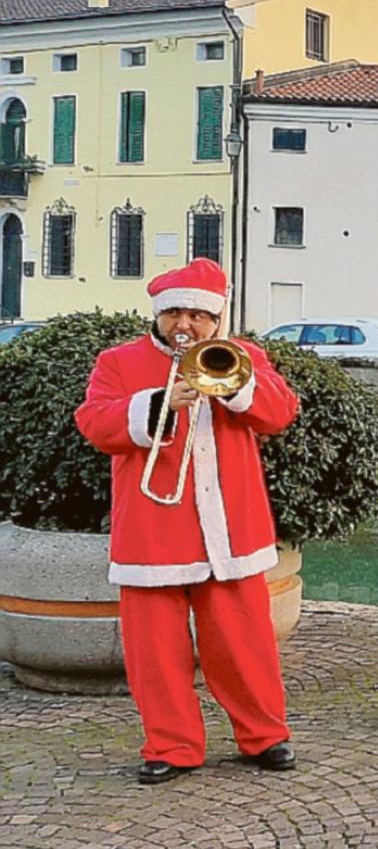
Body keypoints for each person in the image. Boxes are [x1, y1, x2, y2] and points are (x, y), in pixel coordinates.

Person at [74, 259, 300, 785]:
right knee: (155, 649)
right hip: (154, 524)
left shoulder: (244, 356)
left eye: (198, 315)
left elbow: (280, 412)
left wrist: (235, 390)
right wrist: (155, 404)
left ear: (216, 319)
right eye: (174, 312)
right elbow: (94, 421)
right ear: (157, 314)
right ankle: (171, 745)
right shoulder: (119, 361)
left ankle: (264, 735)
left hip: (231, 526)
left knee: (244, 642)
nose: (185, 325)